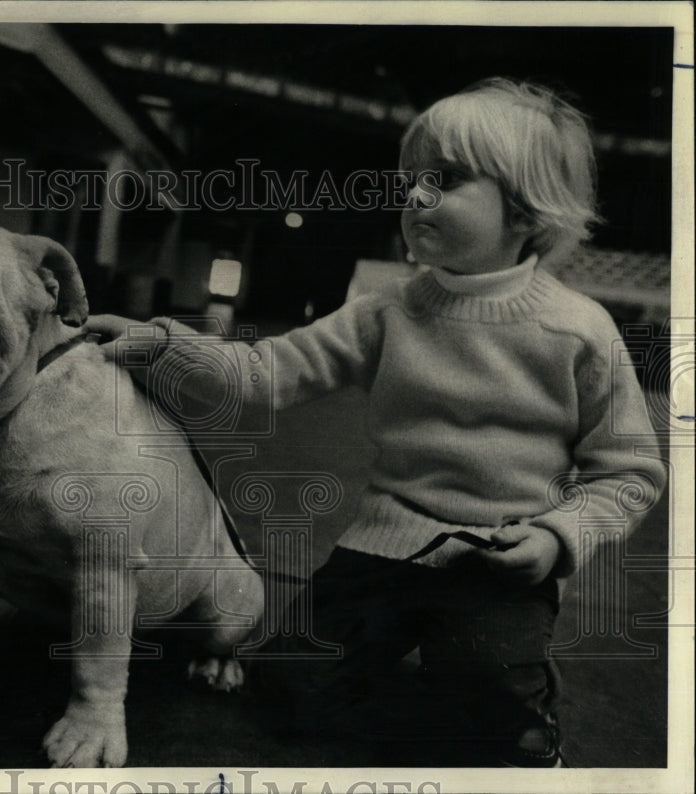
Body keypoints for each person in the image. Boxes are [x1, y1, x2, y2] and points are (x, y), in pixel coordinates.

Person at [85, 78, 666, 767]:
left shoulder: (581, 331)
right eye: (411, 179)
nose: (413, 196)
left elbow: (629, 471)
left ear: (525, 209)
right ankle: (447, 694)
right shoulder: (386, 311)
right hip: (383, 545)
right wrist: (163, 345)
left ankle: (511, 703)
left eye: (445, 179)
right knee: (289, 689)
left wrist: (557, 537)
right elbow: (265, 374)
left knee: (496, 721)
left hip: (500, 565)